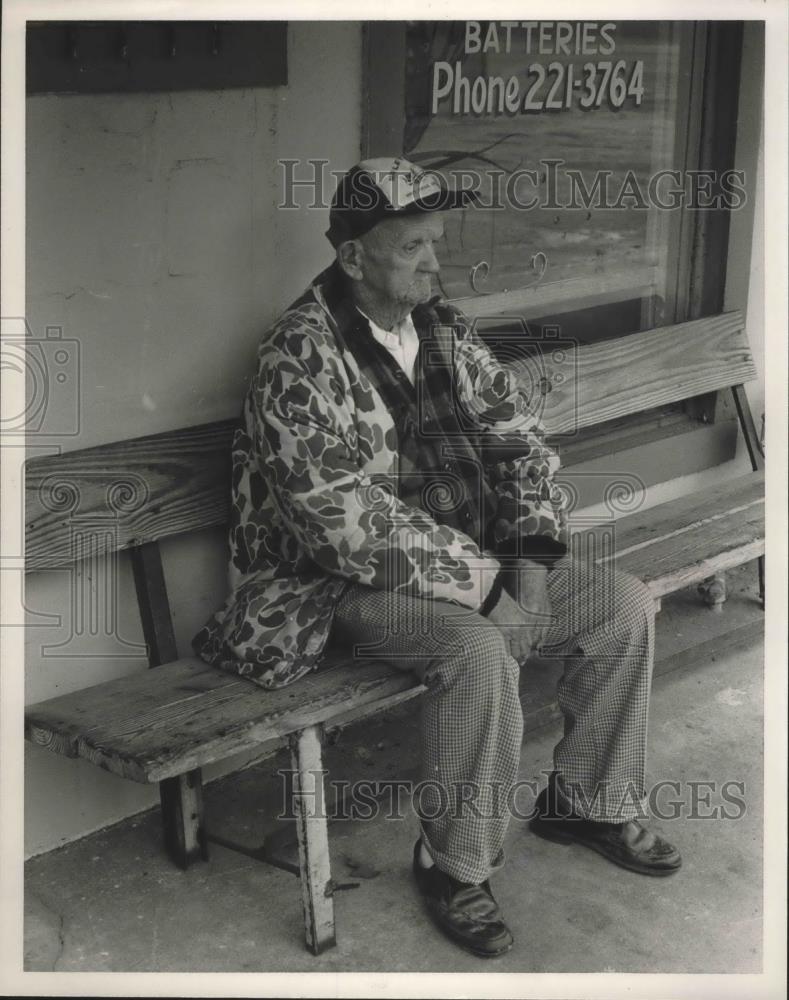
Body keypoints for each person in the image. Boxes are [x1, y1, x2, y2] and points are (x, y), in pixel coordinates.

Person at [194, 157, 681, 959]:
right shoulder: (298, 357)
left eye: (435, 242)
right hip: (326, 592)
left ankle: (586, 800)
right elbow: (342, 528)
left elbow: (520, 448)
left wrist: (524, 568)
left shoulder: (444, 331)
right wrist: (493, 594)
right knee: (477, 646)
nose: (433, 261)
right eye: (413, 245)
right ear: (353, 256)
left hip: (477, 565)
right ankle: (454, 864)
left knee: (620, 605)